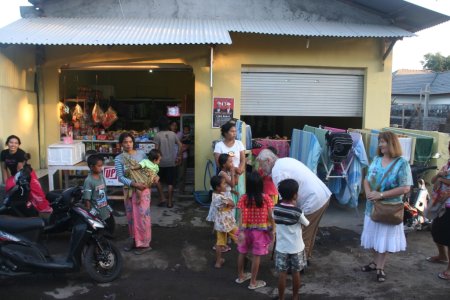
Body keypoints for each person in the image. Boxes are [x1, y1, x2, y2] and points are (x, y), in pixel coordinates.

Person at [256, 149, 331, 263]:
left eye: (262, 165)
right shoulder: (285, 160)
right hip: (321, 195)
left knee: (302, 235)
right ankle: (305, 259)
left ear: (268, 160)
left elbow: (287, 200)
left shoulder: (278, 171)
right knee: (309, 232)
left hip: (313, 200)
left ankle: (299, 265)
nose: (261, 168)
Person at [360, 131, 412, 282]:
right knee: (373, 238)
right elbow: (366, 179)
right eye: (380, 141)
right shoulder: (376, 159)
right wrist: (369, 193)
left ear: (392, 143)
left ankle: (380, 268)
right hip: (372, 207)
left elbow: (405, 188)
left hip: (389, 209)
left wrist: (381, 195)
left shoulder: (402, 163)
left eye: (383, 141)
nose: (380, 144)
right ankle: (375, 262)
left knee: (383, 239)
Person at [114, 132, 152, 255]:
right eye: (125, 142)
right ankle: (135, 240)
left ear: (133, 142)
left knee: (142, 217)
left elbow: (149, 169)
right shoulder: (119, 158)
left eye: (130, 141)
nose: (128, 144)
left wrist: (146, 183)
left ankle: (145, 244)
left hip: (143, 189)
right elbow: (120, 177)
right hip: (130, 190)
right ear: (121, 144)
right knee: (131, 217)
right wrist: (134, 184)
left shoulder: (141, 154)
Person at [236, 171, 274, 290]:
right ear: (260, 185)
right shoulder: (266, 198)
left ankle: (241, 277)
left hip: (245, 230)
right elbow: (271, 216)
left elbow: (240, 215)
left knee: (242, 252)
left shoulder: (243, 198)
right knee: (256, 256)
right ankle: (253, 282)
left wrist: (241, 230)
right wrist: (273, 229)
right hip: (260, 232)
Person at [274, 179, 310, 300]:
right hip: (296, 248)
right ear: (295, 195)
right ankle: (295, 297)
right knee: (296, 273)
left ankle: (281, 297)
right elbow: (306, 223)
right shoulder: (297, 212)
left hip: (281, 248)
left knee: (282, 274)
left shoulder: (276, 209)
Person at [1, 136, 52, 215]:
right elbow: (4, 168)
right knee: (9, 189)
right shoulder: (4, 153)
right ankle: (25, 208)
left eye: (16, 143)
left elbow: (20, 171)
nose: (13, 145)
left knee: (36, 192)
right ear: (7, 143)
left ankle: (44, 209)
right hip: (16, 175)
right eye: (11, 142)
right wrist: (6, 183)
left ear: (18, 145)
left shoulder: (21, 153)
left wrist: (16, 182)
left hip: (26, 174)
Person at [427, 141, 450, 280]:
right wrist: (439, 176)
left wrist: (441, 178)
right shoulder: (447, 164)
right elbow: (434, 179)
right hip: (440, 204)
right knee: (435, 230)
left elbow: (440, 180)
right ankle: (442, 255)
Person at [209, 175, 238, 268]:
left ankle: (218, 261)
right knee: (239, 237)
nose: (225, 186)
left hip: (220, 224)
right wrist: (230, 201)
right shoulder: (222, 197)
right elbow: (232, 204)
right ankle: (244, 257)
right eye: (224, 184)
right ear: (218, 187)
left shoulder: (215, 195)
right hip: (228, 222)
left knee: (220, 242)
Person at [214, 122, 246, 205]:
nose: (234, 133)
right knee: (227, 198)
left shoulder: (239, 143)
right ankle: (228, 216)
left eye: (235, 131)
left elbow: (243, 159)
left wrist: (240, 169)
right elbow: (218, 163)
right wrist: (234, 170)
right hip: (226, 176)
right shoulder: (219, 145)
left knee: (239, 196)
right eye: (232, 131)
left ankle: (238, 217)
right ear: (225, 133)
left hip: (239, 175)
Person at [154, 116, 183, 208]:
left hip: (160, 163)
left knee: (157, 179)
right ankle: (170, 202)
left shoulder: (157, 135)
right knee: (171, 183)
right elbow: (180, 145)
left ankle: (162, 197)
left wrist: (155, 161)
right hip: (172, 162)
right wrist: (178, 156)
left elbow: (156, 150)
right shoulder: (172, 134)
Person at [83, 154, 114, 230]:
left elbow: (104, 191)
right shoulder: (88, 181)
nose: (101, 168)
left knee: (109, 226)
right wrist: (89, 214)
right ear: (91, 167)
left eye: (101, 165)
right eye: (99, 166)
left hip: (104, 208)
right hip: (96, 211)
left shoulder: (101, 176)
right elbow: (87, 199)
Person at [177, 125, 192, 194]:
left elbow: (186, 146)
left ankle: (181, 189)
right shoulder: (181, 135)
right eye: (184, 130)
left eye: (187, 130)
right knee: (178, 174)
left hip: (182, 157)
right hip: (177, 156)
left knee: (182, 174)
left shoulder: (188, 137)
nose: (186, 131)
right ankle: (178, 188)